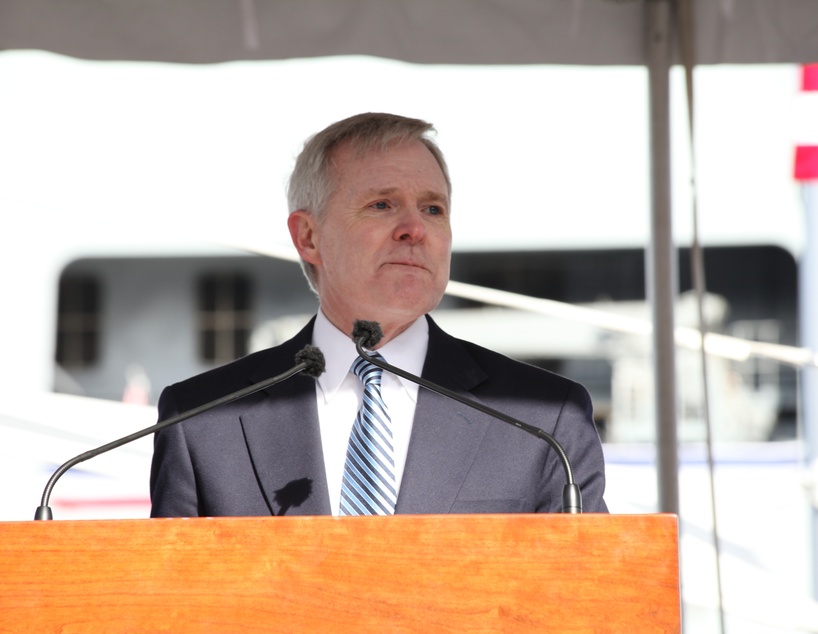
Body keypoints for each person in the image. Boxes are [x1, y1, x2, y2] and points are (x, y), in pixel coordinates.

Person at [150, 112, 608, 517]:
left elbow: (588, 603)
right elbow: (171, 606)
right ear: (308, 236)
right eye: (382, 205)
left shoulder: (545, 419)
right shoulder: (200, 421)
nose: (415, 229)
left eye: (433, 208)